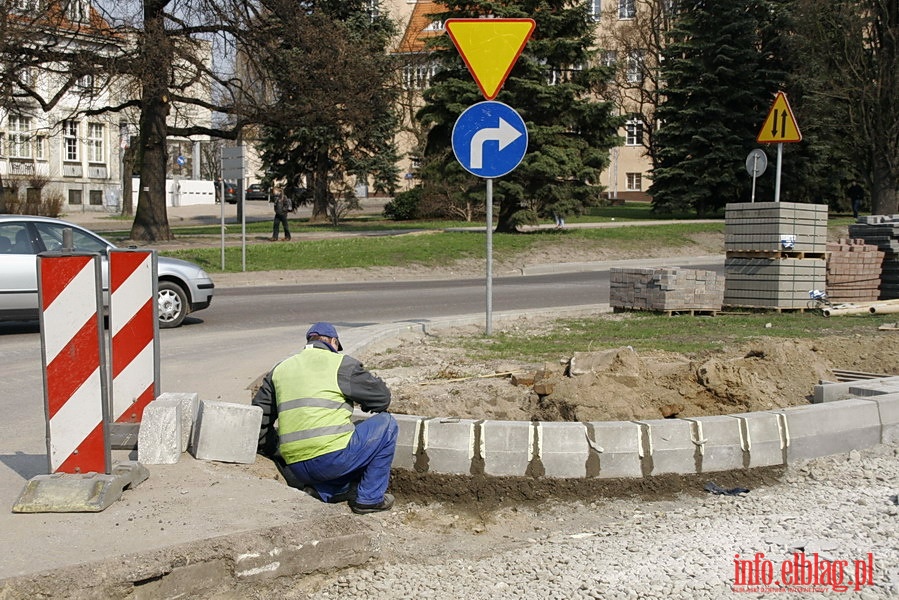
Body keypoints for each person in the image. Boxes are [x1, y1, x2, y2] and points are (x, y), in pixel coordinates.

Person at [252, 322, 398, 514]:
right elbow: (382, 399)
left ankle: (324, 491)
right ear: (333, 342)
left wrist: (273, 449)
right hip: (332, 461)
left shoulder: (280, 369)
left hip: (296, 467)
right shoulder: (341, 364)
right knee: (386, 424)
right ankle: (369, 499)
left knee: (346, 436)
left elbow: (257, 419)